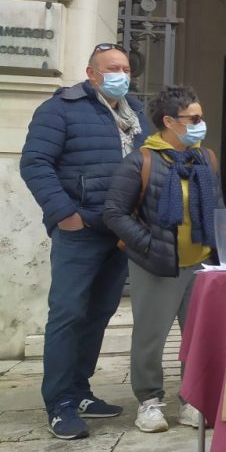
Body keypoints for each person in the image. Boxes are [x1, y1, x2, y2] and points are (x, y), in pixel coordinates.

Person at [20, 43, 151, 440]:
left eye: (126, 68)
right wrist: (64, 214)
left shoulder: (137, 112)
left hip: (120, 231)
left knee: (98, 313)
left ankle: (80, 390)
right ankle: (58, 402)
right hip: (81, 230)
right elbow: (34, 162)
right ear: (91, 73)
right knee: (68, 313)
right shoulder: (60, 108)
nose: (121, 75)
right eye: (112, 68)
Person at [103, 85, 223, 433]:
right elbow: (114, 213)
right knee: (150, 337)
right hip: (155, 263)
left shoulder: (205, 158)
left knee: (199, 337)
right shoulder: (142, 159)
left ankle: (192, 399)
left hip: (199, 263)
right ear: (169, 121)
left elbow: (215, 206)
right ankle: (150, 401)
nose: (201, 124)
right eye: (194, 119)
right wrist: (149, 244)